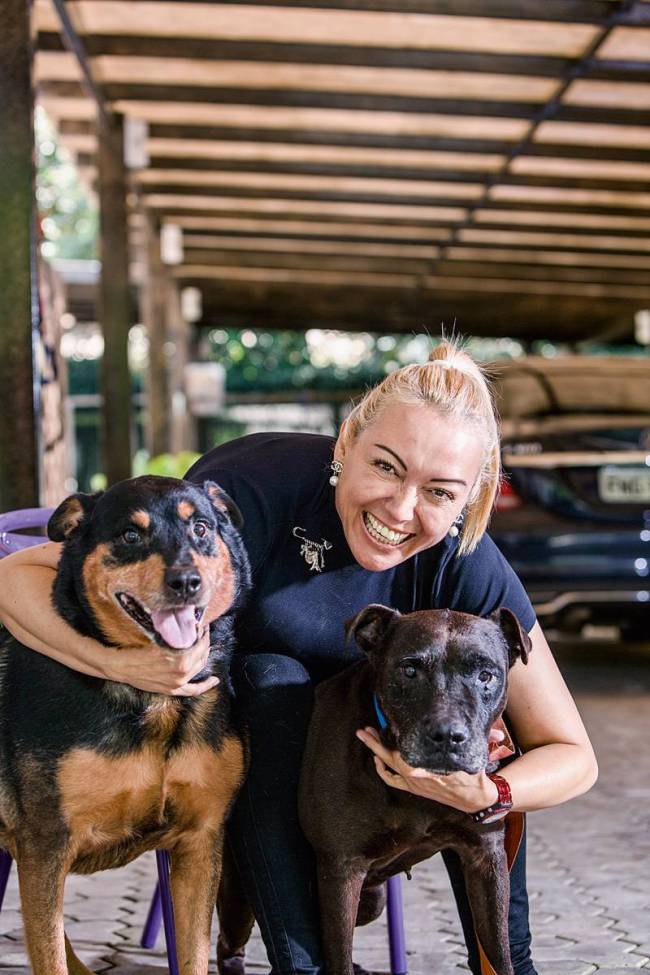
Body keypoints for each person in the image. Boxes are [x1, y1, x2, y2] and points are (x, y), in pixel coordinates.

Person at [0, 339, 597, 975]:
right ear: (346, 443)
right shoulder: (255, 491)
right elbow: (16, 577)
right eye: (387, 468)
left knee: (478, 739)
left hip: (372, 770)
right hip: (242, 755)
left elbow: (572, 757)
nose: (400, 510)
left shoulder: (465, 560)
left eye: (440, 492)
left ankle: (510, 965)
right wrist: (120, 665)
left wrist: (488, 789)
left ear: (468, 499)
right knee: (270, 677)